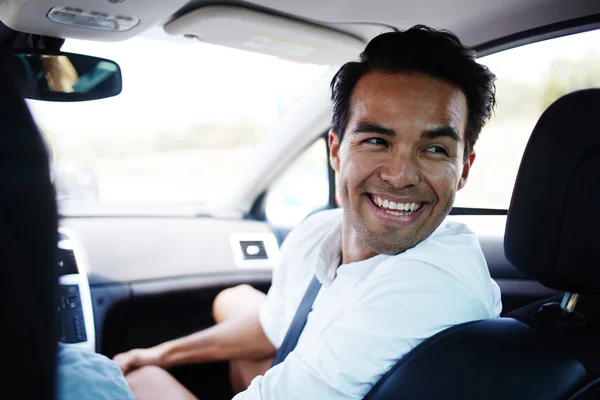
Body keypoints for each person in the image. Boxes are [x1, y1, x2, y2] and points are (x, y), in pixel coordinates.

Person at [113, 24, 501, 400]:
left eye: (434, 149)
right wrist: (157, 353)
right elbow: (273, 327)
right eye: (377, 141)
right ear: (336, 150)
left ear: (463, 168)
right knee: (231, 299)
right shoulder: (318, 232)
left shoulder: (433, 284)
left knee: (139, 382)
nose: (400, 176)